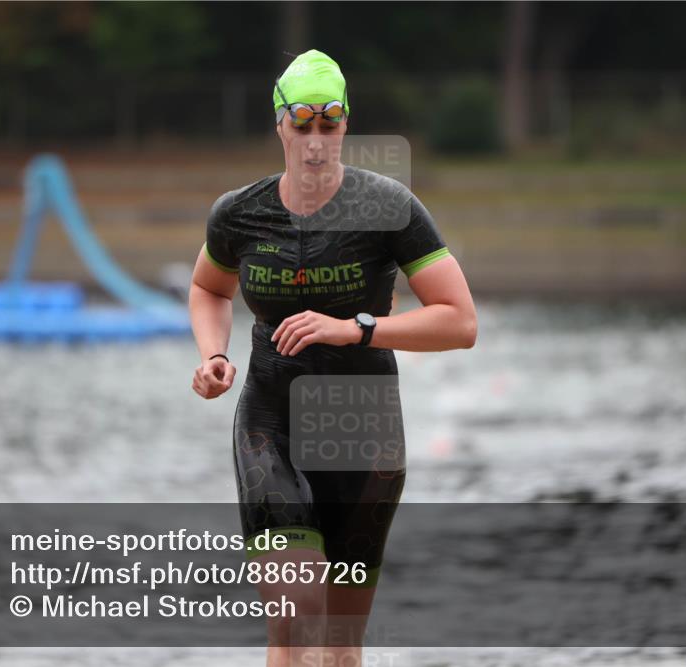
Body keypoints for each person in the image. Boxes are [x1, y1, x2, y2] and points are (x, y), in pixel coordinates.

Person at [189, 49, 476, 666]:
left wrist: (356, 329)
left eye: (329, 124)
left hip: (363, 430)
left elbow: (460, 321)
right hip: (272, 423)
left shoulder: (389, 207)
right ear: (280, 125)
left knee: (342, 641)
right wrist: (213, 354)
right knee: (296, 611)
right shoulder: (239, 212)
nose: (316, 143)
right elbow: (209, 289)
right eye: (302, 125)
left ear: (346, 123)